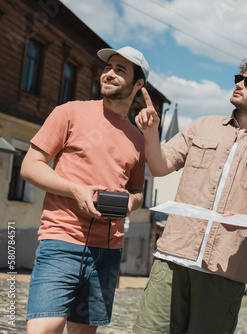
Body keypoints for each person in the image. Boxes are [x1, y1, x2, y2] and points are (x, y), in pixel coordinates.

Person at [133, 58, 247, 334]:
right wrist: (150, 134)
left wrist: (246, 219)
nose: (239, 84)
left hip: (225, 267)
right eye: (238, 78)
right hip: (174, 255)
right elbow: (159, 167)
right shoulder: (202, 126)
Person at [21, 46, 149, 334]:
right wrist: (76, 190)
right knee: (42, 329)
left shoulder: (137, 139)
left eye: (120, 70)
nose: (109, 73)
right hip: (61, 241)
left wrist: (131, 202)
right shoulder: (69, 112)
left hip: (108, 250)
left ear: (138, 84)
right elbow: (30, 167)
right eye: (108, 67)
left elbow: (138, 192)